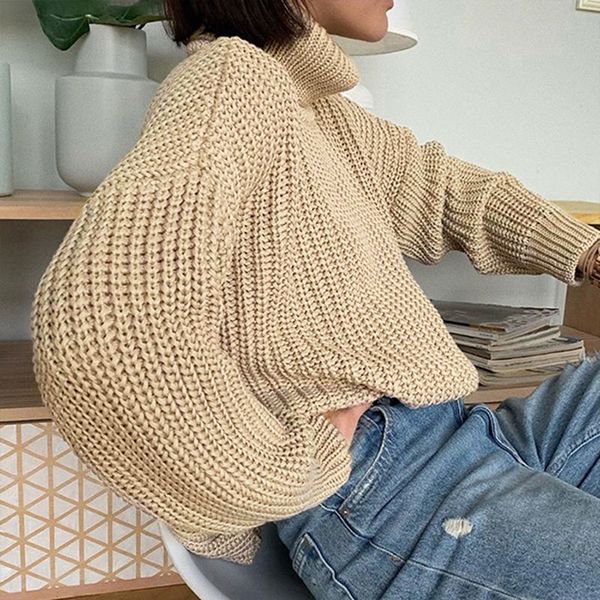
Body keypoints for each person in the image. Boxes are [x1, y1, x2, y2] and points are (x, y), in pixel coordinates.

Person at [29, 0, 600, 598]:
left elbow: (445, 192)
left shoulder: (318, 112)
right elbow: (100, 327)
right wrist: (286, 472)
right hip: (385, 493)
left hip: (459, 438)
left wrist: (588, 251)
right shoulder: (231, 78)